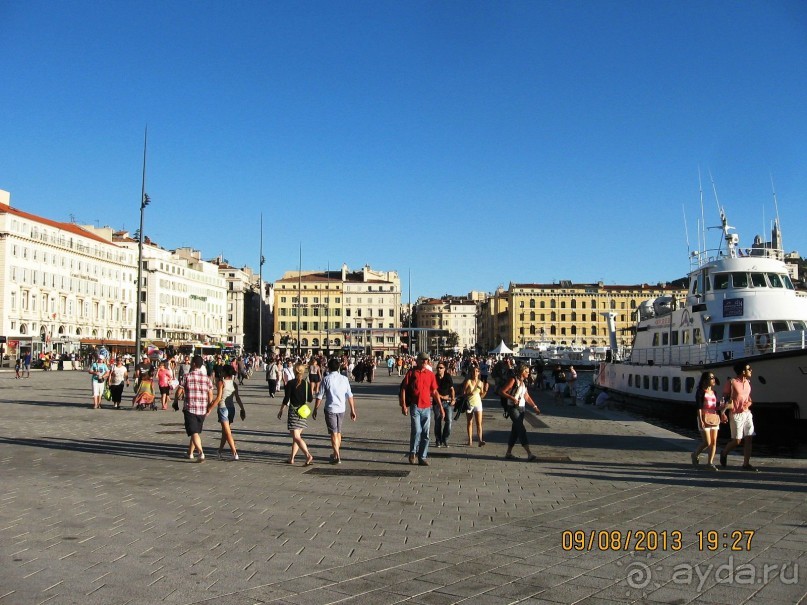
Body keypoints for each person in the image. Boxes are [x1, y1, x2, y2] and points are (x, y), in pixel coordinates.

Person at [399, 352, 443, 466]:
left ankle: (422, 457)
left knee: (426, 433)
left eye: (426, 360)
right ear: (417, 361)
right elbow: (403, 389)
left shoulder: (430, 374)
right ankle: (413, 452)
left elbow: (434, 392)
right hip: (415, 406)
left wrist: (441, 408)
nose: (424, 362)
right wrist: (403, 405)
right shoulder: (412, 373)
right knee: (417, 430)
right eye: (422, 360)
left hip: (427, 408)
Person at [313, 358, 356, 464]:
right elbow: (349, 395)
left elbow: (320, 395)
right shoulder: (344, 379)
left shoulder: (326, 379)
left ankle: (337, 456)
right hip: (342, 408)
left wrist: (315, 409)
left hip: (330, 409)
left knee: (333, 433)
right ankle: (335, 452)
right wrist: (352, 410)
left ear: (329, 367)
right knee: (338, 432)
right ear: (339, 367)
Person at [174, 355, 214, 461]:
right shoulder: (207, 379)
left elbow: (179, 391)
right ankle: (190, 453)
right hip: (202, 409)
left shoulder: (187, 376)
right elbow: (210, 394)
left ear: (194, 364)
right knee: (195, 431)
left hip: (190, 408)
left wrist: (175, 401)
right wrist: (209, 406)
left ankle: (201, 453)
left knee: (194, 432)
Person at [719, 363, 758, 471]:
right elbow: (724, 398)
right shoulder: (732, 382)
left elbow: (749, 399)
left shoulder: (748, 382)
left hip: (747, 413)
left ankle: (746, 464)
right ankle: (724, 452)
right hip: (736, 414)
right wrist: (723, 413)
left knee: (749, 438)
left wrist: (749, 404)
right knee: (737, 440)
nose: (751, 370)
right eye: (748, 368)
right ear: (742, 371)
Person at [499, 363, 541, 461]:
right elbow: (502, 391)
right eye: (527, 372)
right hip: (513, 407)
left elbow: (526, 396)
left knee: (515, 430)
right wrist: (512, 398)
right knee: (521, 429)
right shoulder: (513, 380)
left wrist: (534, 406)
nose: (529, 373)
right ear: (522, 372)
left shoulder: (524, 382)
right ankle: (529, 453)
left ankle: (508, 453)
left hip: (522, 408)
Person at [278, 362, 314, 466]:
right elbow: (310, 399)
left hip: (293, 412)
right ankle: (291, 458)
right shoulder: (306, 384)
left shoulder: (290, 383)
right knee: (296, 437)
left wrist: (281, 410)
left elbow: (286, 399)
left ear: (294, 370)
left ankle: (308, 455)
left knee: (296, 437)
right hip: (303, 412)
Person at [210, 365, 245, 461]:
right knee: (225, 432)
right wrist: (242, 409)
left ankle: (234, 452)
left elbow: (218, 398)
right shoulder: (234, 384)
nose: (220, 373)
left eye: (222, 372)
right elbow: (237, 398)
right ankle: (219, 451)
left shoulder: (221, 383)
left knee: (227, 432)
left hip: (223, 409)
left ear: (225, 373)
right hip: (231, 409)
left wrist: (209, 409)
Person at [692, 371, 721, 471]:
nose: (713, 379)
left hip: (713, 417)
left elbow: (715, 407)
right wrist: (700, 420)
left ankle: (710, 463)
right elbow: (699, 407)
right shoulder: (700, 392)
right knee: (707, 442)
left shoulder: (714, 393)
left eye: (713, 377)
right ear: (705, 380)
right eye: (711, 378)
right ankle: (695, 454)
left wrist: (722, 409)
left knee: (714, 442)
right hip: (704, 418)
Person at [462, 365, 488, 446]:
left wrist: (486, 391)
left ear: (479, 373)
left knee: (479, 423)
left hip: (478, 403)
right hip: (469, 403)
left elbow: (482, 395)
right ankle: (470, 440)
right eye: (473, 371)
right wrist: (469, 393)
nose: (475, 373)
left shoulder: (481, 383)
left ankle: (480, 440)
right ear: (471, 373)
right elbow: (463, 393)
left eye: (476, 371)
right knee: (469, 422)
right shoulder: (468, 381)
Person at [433, 361, 455, 448]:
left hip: (447, 403)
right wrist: (443, 397)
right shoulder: (434, 378)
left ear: (444, 369)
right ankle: (438, 440)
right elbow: (433, 392)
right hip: (437, 403)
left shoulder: (448, 377)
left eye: (441, 368)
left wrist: (453, 398)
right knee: (438, 421)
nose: (439, 369)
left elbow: (452, 389)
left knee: (449, 421)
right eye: (438, 367)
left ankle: (445, 439)